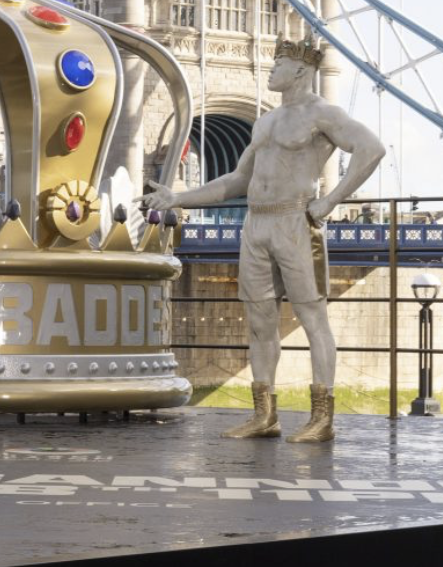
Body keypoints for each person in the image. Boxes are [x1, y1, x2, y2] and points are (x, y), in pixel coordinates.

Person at [143, 35, 385, 443]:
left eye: (277, 64)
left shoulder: (323, 114)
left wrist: (329, 200)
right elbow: (239, 179)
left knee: (313, 319)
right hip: (256, 224)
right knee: (259, 323)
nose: (270, 69)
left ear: (301, 71)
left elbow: (371, 149)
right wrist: (177, 198)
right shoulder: (265, 121)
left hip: (295, 221)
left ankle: (322, 418)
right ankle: (265, 416)